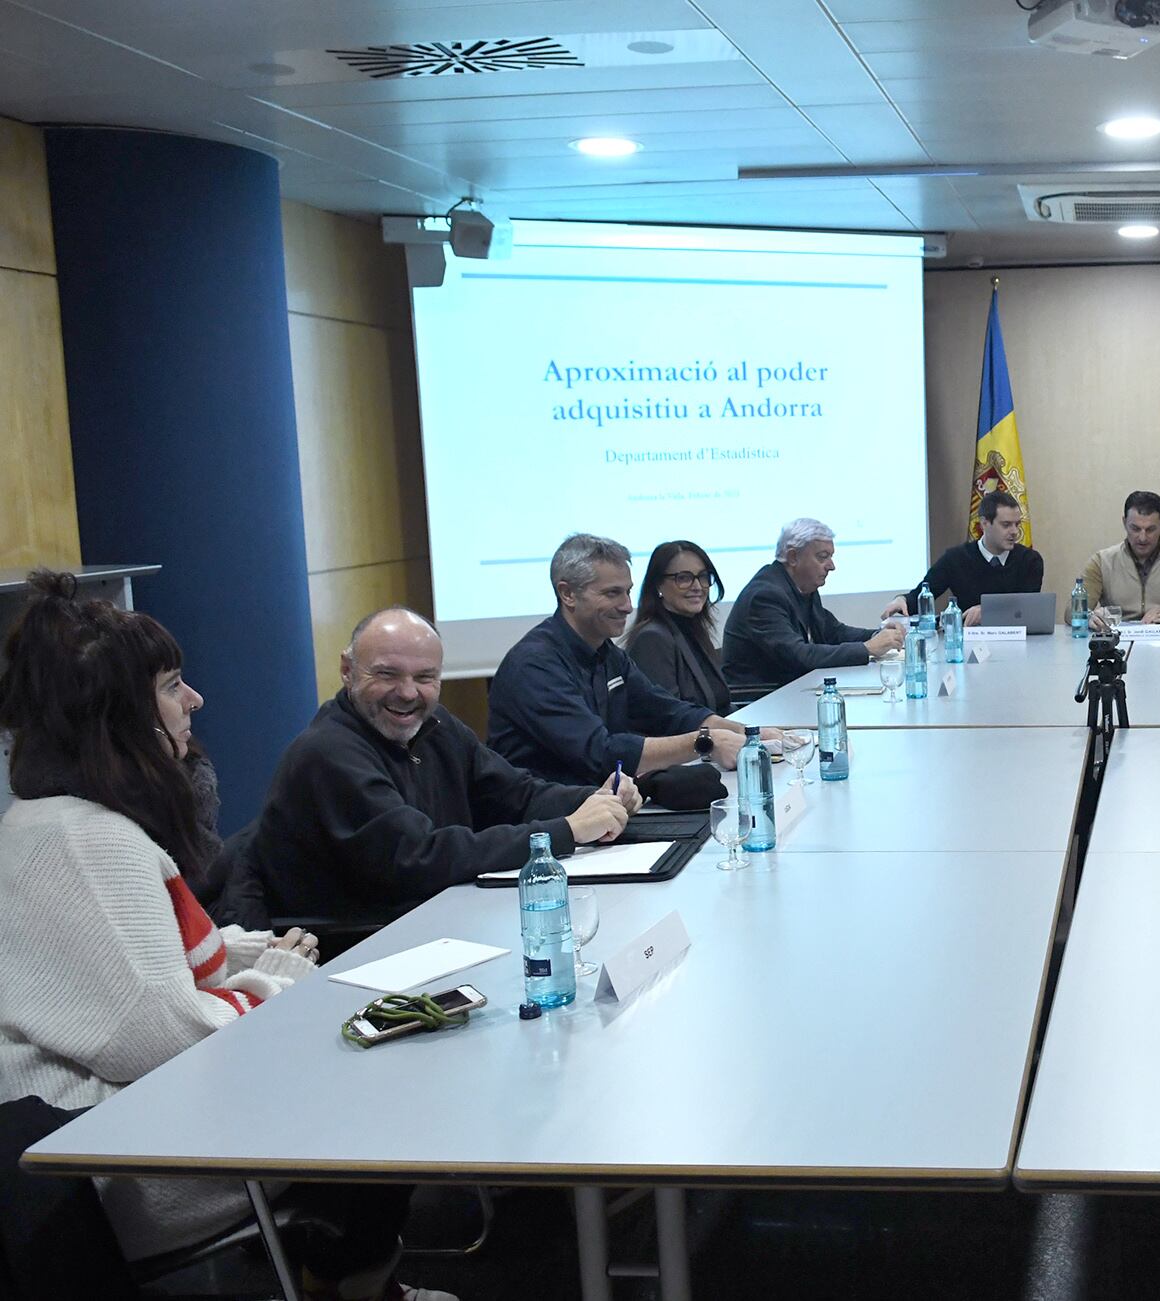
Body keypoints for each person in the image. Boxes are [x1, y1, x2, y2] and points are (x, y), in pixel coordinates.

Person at [0, 573, 453, 1301]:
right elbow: (160, 1035)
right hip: (122, 1164)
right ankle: (358, 1285)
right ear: (118, 712)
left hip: (93, 1134)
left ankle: (344, 1277)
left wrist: (246, 957)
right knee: (384, 1091)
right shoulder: (91, 838)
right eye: (174, 685)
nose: (195, 701)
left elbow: (129, 961)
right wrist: (272, 977)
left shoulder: (51, 818)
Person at [242, 607, 636, 926]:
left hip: (437, 920)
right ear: (347, 670)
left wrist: (597, 800)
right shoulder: (328, 752)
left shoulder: (435, 726)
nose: (408, 693)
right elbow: (419, 856)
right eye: (387, 674)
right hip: (358, 948)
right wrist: (566, 831)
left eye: (425, 677)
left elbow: (517, 794)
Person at [489, 533, 758, 785]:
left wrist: (749, 735)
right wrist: (705, 741)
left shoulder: (606, 653)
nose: (628, 606)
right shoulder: (534, 665)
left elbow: (665, 710)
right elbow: (598, 752)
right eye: (612, 593)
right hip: (550, 821)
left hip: (602, 803)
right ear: (568, 594)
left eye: (627, 592)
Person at [722, 518, 905, 687]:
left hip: (793, 689)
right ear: (793, 557)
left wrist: (876, 635)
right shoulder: (764, 596)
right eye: (822, 557)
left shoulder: (803, 587)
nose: (831, 566)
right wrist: (867, 649)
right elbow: (799, 656)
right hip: (761, 700)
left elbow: (834, 632)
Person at [880, 490, 1044, 626]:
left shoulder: (1029, 560)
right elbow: (923, 594)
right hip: (966, 643)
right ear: (984, 523)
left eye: (1017, 524)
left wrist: (987, 611)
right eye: (1006, 525)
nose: (1014, 532)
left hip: (1018, 644)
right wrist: (900, 600)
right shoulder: (956, 558)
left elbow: (1026, 609)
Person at [624, 539, 734, 716]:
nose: (697, 586)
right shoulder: (652, 639)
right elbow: (667, 718)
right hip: (693, 741)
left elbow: (720, 704)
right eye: (684, 578)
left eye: (703, 576)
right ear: (658, 584)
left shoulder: (693, 628)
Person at [1082, 490, 1160, 628]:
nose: (1142, 538)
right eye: (1135, 529)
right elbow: (1072, 612)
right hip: (1117, 643)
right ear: (1124, 523)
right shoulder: (1102, 561)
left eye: (1150, 530)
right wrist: (1089, 617)